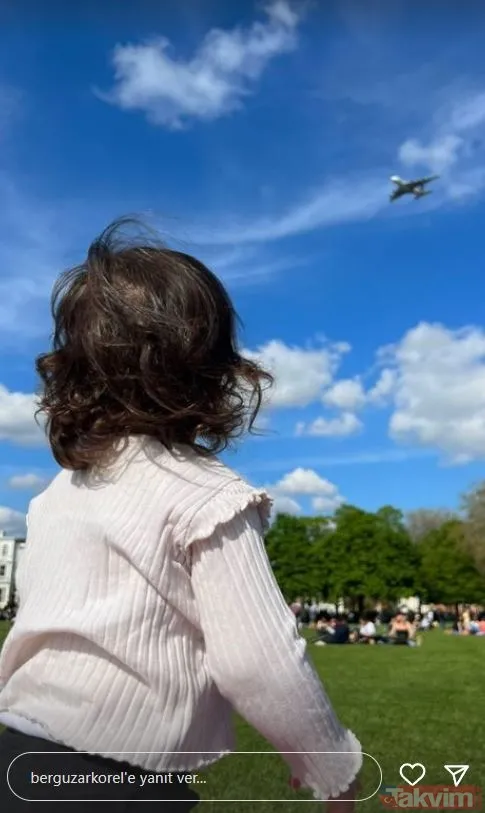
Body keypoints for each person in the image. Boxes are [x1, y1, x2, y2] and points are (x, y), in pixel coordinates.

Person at [0, 219, 361, 812]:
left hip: (20, 756)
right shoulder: (205, 492)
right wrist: (330, 764)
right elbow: (258, 662)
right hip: (112, 782)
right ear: (212, 367)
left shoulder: (57, 494)